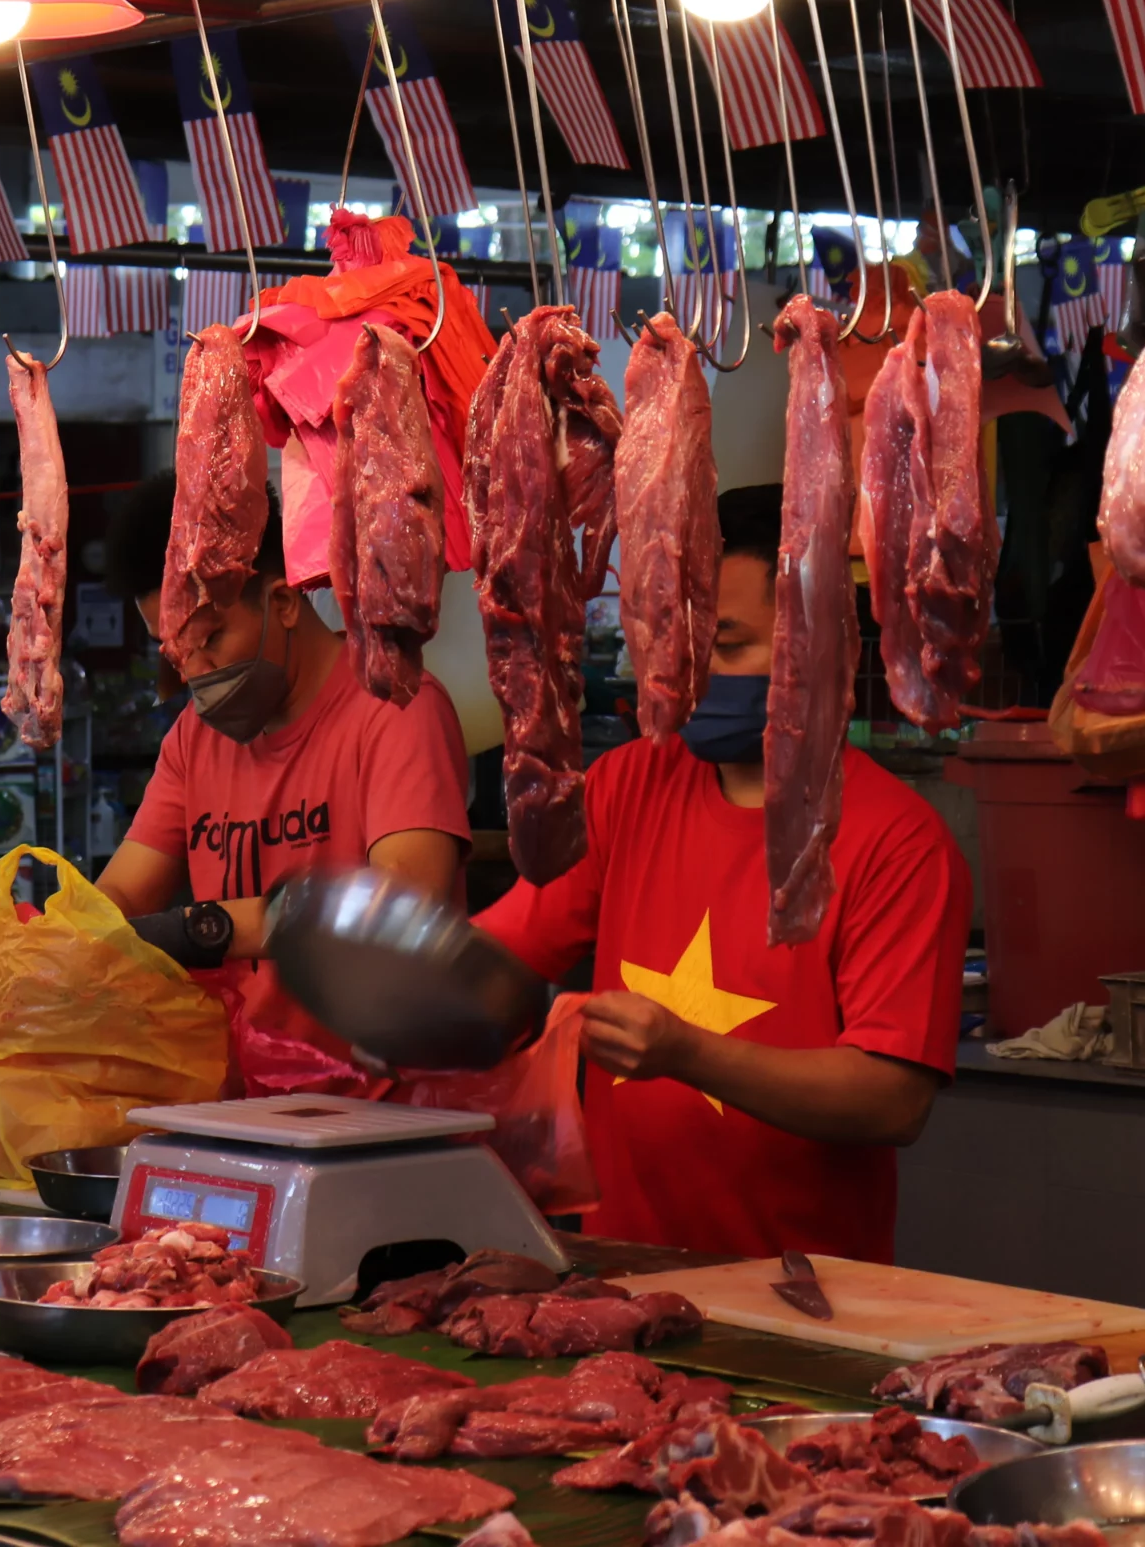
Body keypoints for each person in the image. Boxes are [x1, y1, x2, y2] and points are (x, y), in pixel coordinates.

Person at [474, 485, 968, 1262]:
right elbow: (500, 953)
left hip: (807, 1295)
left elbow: (893, 1097)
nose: (696, 674)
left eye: (729, 647)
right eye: (684, 643)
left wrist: (688, 1052)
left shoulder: (899, 840)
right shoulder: (630, 782)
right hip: (622, 1274)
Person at [98, 469, 473, 1093]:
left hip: (383, 1114)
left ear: (281, 603)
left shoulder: (396, 708)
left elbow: (404, 905)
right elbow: (123, 897)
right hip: (246, 1110)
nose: (195, 671)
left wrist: (204, 928)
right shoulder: (194, 739)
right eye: (174, 651)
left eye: (211, 638)